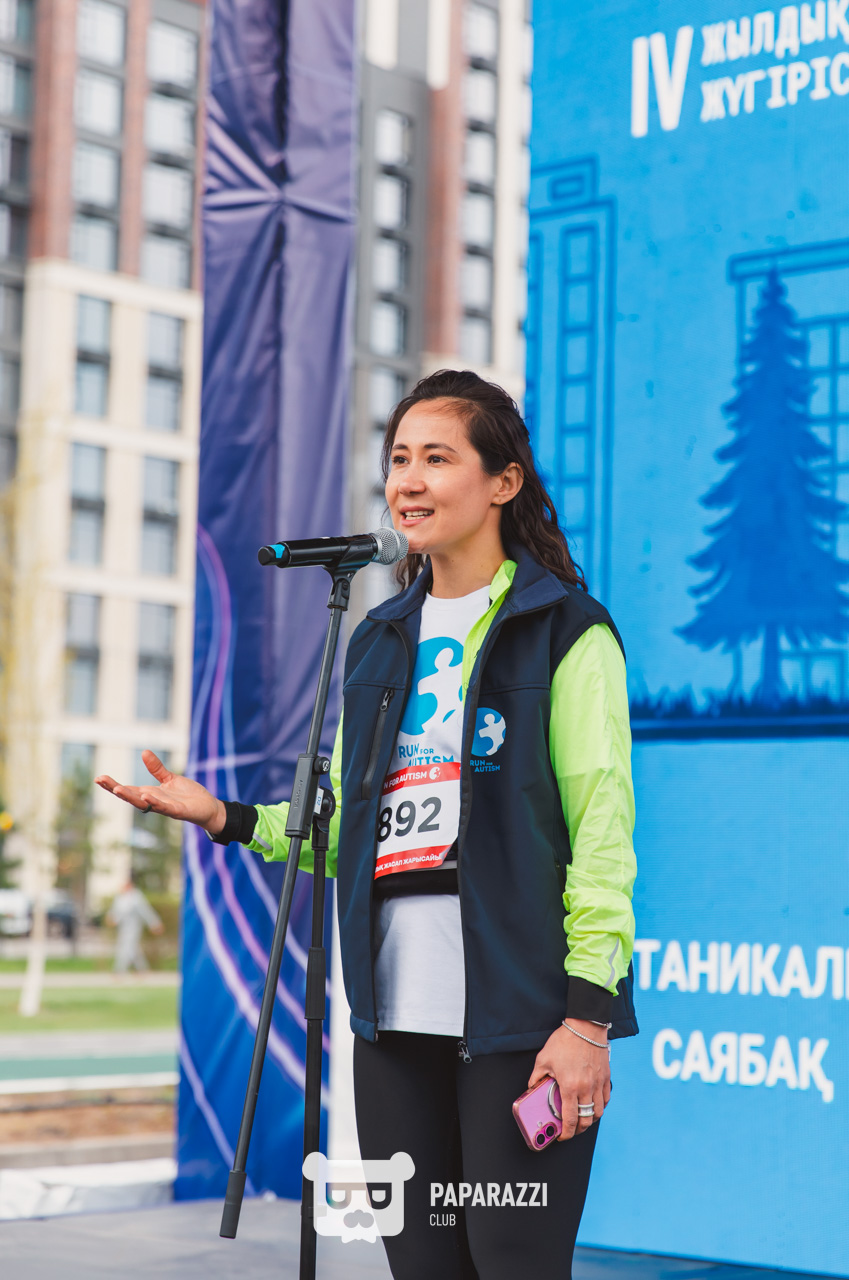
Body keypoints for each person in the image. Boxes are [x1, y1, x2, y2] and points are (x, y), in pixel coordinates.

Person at [96, 370, 637, 1279]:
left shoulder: (565, 633)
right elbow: (352, 831)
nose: (408, 481)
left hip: (521, 1021)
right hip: (391, 1022)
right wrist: (226, 817)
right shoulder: (378, 637)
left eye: (437, 459)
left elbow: (602, 837)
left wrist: (586, 1020)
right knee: (420, 1268)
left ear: (502, 482)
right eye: (398, 459)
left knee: (510, 1263)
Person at [106, 872, 164, 973]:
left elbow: (145, 911)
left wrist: (154, 923)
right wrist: (112, 918)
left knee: (127, 947)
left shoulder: (136, 897)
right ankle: (142, 969)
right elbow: (116, 911)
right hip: (123, 927)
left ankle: (119, 970)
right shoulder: (120, 897)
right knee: (132, 948)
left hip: (134, 927)